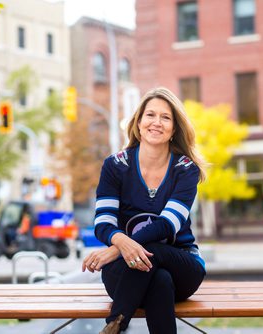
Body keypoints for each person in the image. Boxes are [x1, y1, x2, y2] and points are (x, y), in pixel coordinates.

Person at [82, 87, 207, 334]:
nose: (156, 123)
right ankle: (116, 324)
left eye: (165, 117)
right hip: (125, 273)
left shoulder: (185, 169)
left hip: (181, 265)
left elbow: (166, 225)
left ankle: (116, 322)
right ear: (138, 122)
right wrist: (122, 245)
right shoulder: (115, 166)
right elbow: (103, 222)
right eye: (150, 115)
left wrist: (116, 249)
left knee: (156, 251)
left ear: (174, 129)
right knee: (159, 279)